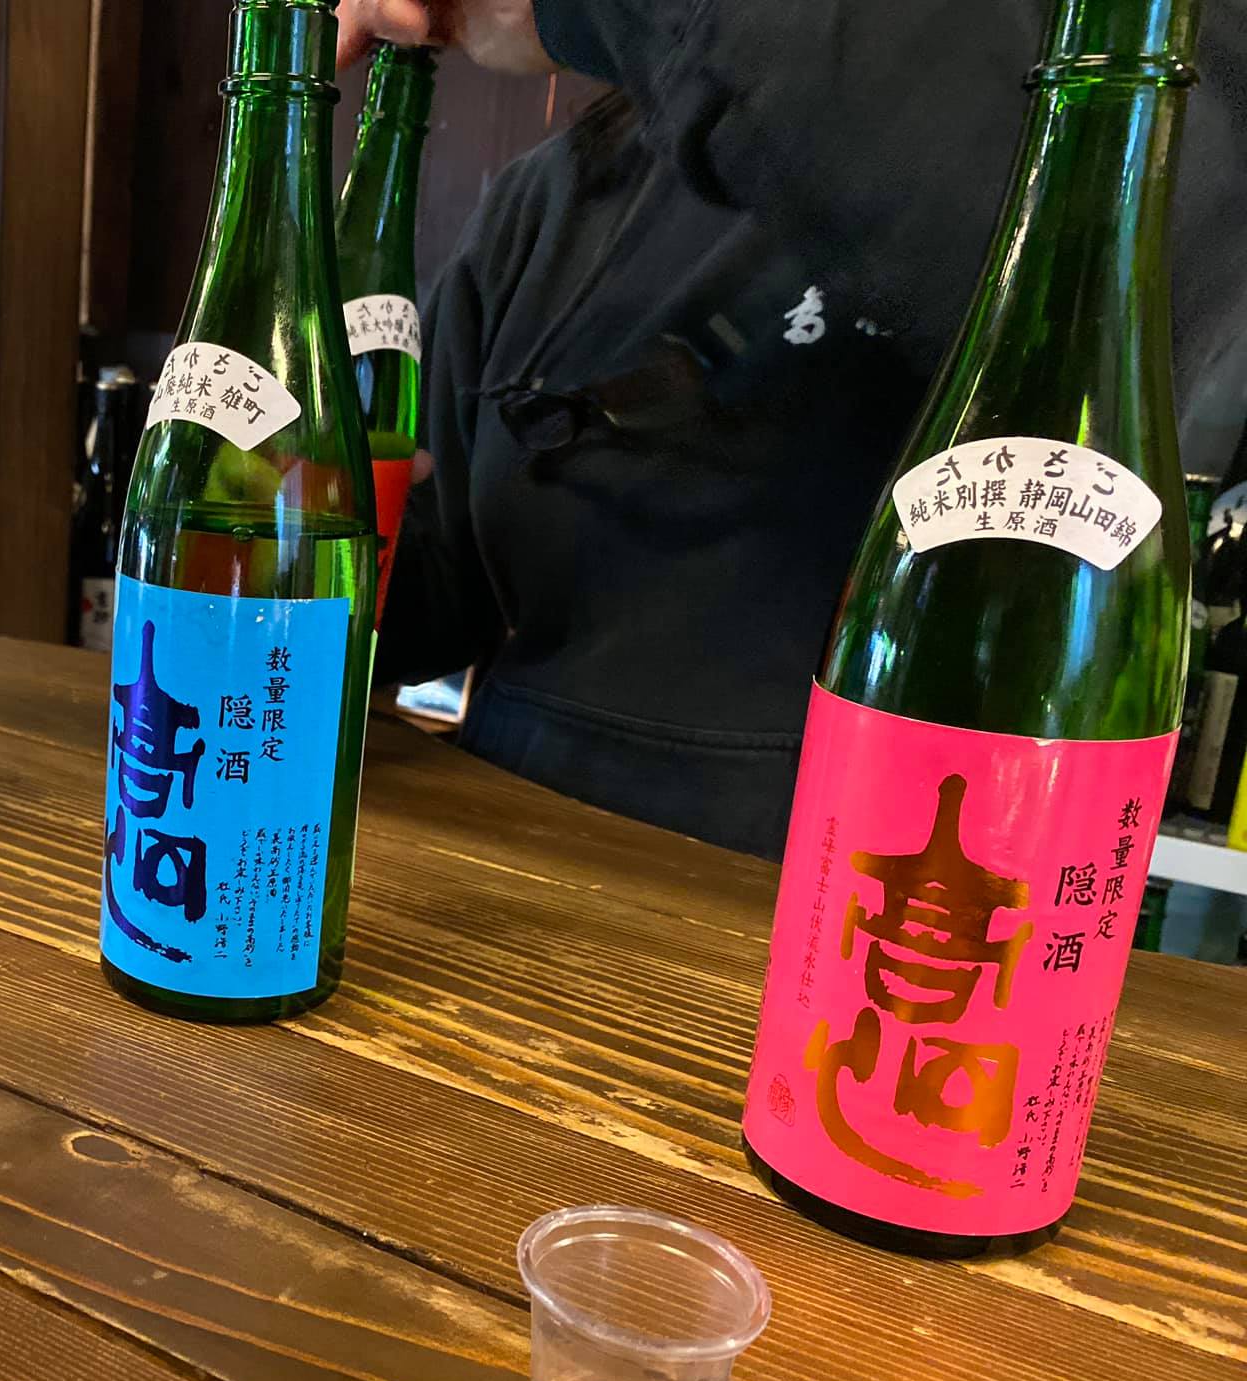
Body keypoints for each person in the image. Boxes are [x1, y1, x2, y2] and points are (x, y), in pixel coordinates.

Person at [344, 0, 1247, 856]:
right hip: (504, 894)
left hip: (872, 903)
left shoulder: (1120, 97)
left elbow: (1119, 301)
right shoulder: (559, 198)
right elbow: (436, 599)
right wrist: (300, 518)